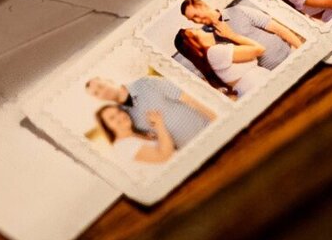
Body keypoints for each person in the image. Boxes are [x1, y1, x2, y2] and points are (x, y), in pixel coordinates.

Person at [85, 75, 215, 148]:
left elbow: (190, 98)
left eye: (101, 86)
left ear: (110, 80)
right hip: (193, 150)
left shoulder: (146, 83)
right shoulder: (123, 118)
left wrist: (217, 118)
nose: (102, 92)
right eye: (96, 93)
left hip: (210, 128)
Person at [181, 0, 303, 68]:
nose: (197, 21)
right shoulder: (212, 39)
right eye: (192, 20)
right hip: (272, 71)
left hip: (291, 55)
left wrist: (301, 48)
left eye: (196, 15)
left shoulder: (239, 11)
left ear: (203, 5)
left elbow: (279, 29)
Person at [174, 25, 272, 97]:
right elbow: (260, 49)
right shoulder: (213, 52)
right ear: (194, 43)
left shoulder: (208, 58)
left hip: (253, 88)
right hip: (259, 86)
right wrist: (231, 35)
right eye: (196, 30)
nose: (201, 28)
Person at [94, 104, 178, 164]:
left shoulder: (138, 134)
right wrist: (159, 124)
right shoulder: (122, 146)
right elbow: (163, 156)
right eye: (112, 118)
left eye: (119, 112)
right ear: (107, 127)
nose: (120, 116)